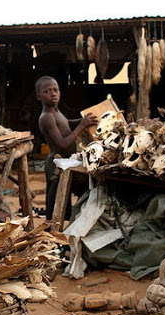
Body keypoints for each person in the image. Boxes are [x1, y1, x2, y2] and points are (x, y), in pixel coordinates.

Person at [36, 76, 98, 220]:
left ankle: (63, 229)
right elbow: (62, 144)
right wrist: (82, 126)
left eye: (55, 90)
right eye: (47, 91)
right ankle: (53, 233)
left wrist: (83, 121)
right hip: (56, 164)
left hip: (65, 162)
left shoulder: (56, 112)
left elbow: (67, 123)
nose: (53, 94)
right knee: (56, 201)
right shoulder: (46, 117)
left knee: (63, 200)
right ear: (39, 96)